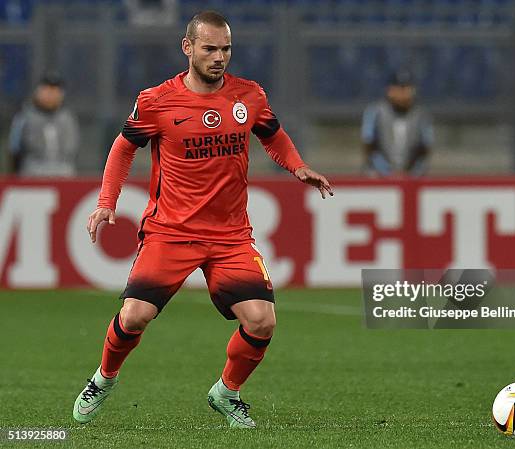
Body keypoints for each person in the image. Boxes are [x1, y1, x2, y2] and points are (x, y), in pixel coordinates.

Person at [72, 11, 333, 429]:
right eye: (210, 48)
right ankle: (103, 378)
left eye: (226, 48)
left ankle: (227, 393)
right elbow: (123, 148)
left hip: (230, 236)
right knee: (135, 314)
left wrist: (297, 166)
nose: (219, 57)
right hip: (170, 232)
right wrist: (107, 201)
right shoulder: (156, 101)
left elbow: (272, 135)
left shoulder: (250, 96)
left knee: (262, 321)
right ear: (187, 47)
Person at [361, 70, 433, 176]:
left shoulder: (421, 115)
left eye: (405, 89)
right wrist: (387, 172)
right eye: (398, 89)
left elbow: (425, 148)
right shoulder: (375, 112)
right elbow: (369, 146)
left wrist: (410, 174)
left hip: (411, 177)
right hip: (379, 175)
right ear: (389, 90)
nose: (401, 94)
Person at [8, 73, 79, 176]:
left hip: (64, 171)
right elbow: (14, 149)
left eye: (55, 91)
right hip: (32, 171)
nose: (50, 95)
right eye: (46, 90)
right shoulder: (24, 117)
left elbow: (73, 150)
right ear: (38, 92)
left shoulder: (68, 119)